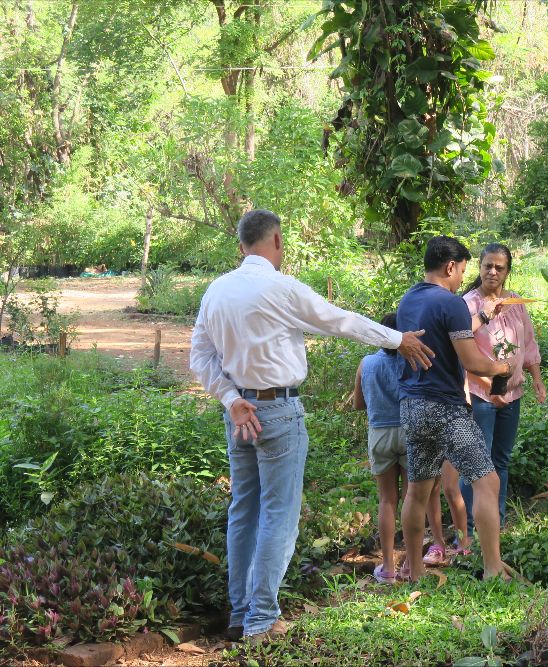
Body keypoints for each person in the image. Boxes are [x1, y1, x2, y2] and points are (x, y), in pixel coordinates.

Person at [190, 209, 433, 641]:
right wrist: (398, 338)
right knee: (278, 515)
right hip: (278, 412)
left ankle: (241, 612)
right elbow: (338, 320)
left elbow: (201, 358)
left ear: (241, 245)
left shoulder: (216, 292)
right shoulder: (279, 288)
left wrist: (230, 399)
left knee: (243, 511)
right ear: (277, 241)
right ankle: (261, 619)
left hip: (240, 414)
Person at [396, 235, 513, 582]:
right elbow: (472, 361)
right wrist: (500, 368)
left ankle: (415, 572)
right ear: (450, 267)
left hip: (412, 407)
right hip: (445, 408)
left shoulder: (408, 301)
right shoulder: (451, 303)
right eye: (462, 270)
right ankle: (493, 569)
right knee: (488, 481)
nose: (463, 278)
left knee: (417, 490)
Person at [351, 316, 451, 578]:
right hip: (410, 431)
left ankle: (388, 567)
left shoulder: (367, 363)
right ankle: (410, 563)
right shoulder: (413, 361)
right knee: (413, 498)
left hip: (380, 433)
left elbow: (358, 404)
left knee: (386, 500)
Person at [460, 243, 545, 533]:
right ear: (479, 267)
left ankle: (497, 521)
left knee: (501, 459)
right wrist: (488, 387)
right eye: (488, 266)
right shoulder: (469, 304)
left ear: (508, 271)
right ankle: (471, 527)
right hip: (482, 396)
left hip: (513, 393)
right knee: (477, 461)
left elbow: (529, 343)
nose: (493, 271)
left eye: (500, 267)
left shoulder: (516, 303)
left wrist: (537, 379)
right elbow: (462, 350)